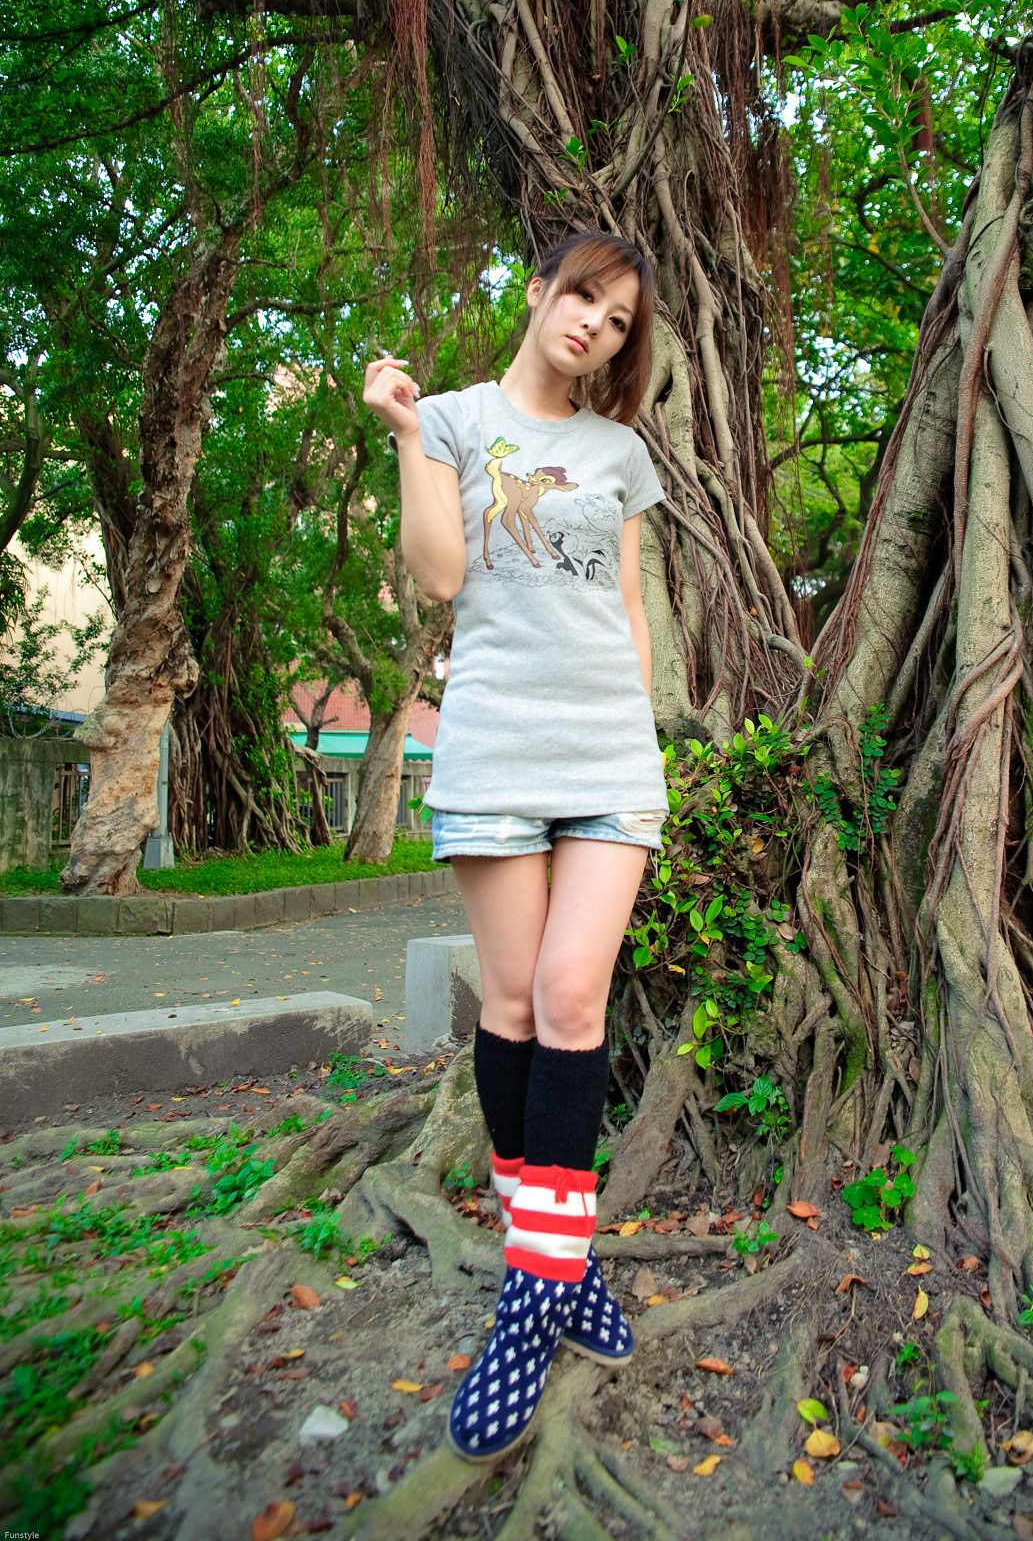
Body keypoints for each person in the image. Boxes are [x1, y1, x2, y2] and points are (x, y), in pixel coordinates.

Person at [362, 231, 667, 1463]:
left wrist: (641, 735)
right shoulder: (450, 417)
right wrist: (403, 432)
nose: (594, 321)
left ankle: (525, 1304)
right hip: (494, 744)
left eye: (618, 316)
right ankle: (558, 1270)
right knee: (511, 1004)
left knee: (571, 995)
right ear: (540, 291)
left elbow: (628, 604)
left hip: (607, 754)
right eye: (582, 293)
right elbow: (441, 574)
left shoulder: (620, 451)